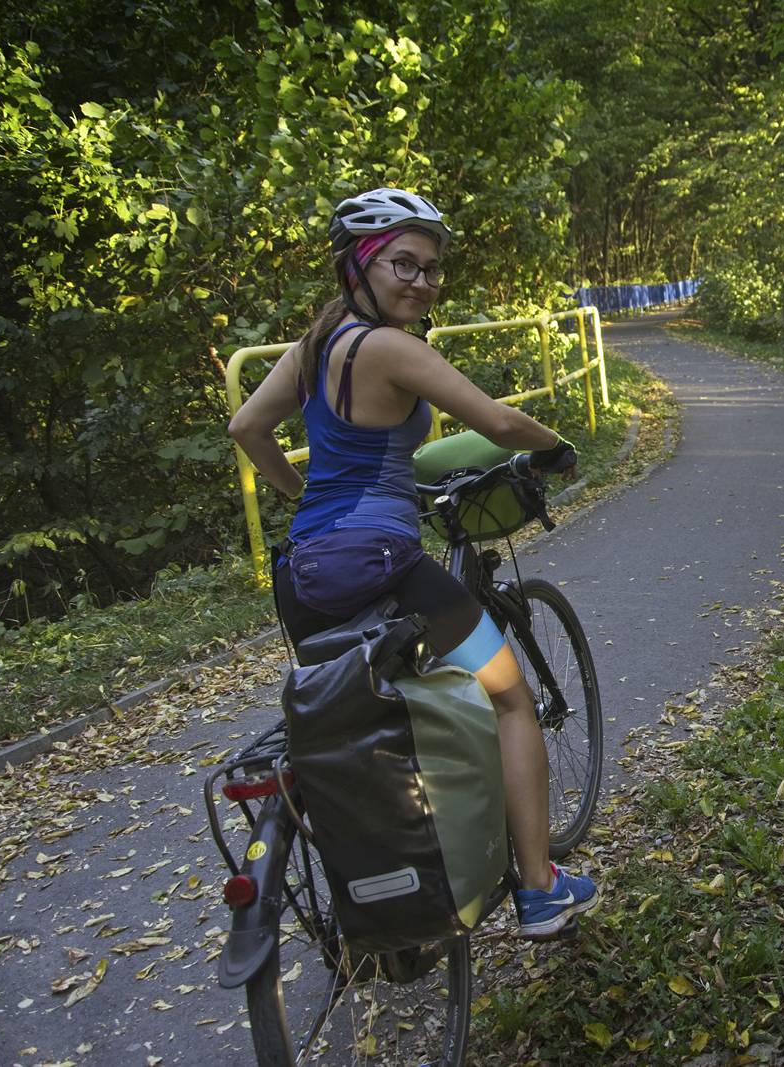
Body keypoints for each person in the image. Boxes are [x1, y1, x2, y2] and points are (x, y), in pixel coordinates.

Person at [227, 186, 597, 938]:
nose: (423, 281)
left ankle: (385, 894)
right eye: (404, 263)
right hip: (384, 566)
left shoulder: (312, 347)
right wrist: (553, 444)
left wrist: (305, 500)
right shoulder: (394, 347)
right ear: (357, 266)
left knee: (360, 728)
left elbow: (247, 425)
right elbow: (494, 420)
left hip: (306, 575)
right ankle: (538, 887)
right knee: (512, 700)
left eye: (431, 269)